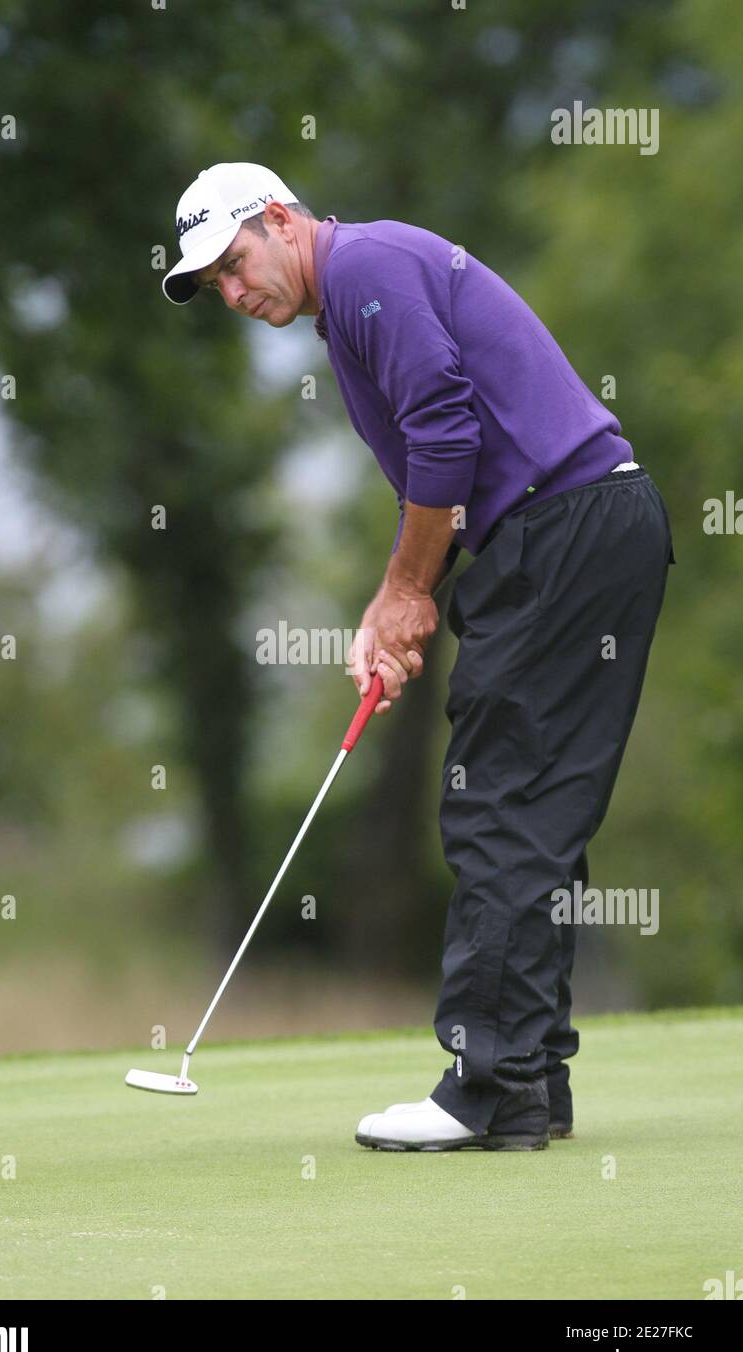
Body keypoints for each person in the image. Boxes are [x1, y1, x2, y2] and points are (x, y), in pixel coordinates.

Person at [163, 162, 675, 1152]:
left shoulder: (364, 266)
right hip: (576, 529)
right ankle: (525, 1080)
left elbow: (445, 429)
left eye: (234, 263)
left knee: (499, 803)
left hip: (564, 530)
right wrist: (396, 607)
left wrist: (404, 592)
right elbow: (441, 476)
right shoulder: (355, 292)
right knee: (532, 806)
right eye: (213, 284)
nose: (232, 292)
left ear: (281, 220)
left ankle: (487, 1084)